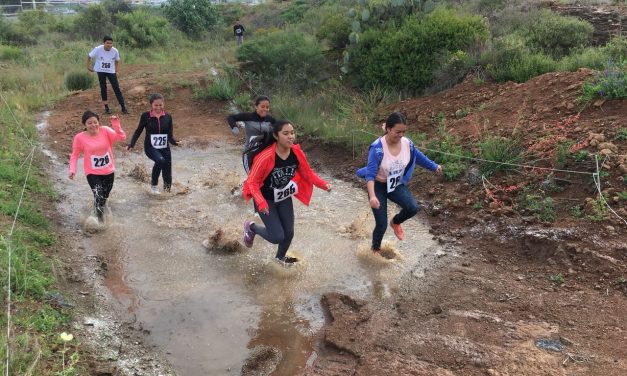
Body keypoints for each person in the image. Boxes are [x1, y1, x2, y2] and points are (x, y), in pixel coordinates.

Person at [242, 120, 331, 266]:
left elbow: (307, 173)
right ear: (276, 136)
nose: (290, 137)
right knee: (277, 236)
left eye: (292, 133)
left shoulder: (296, 153)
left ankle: (279, 258)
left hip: (283, 197)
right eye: (285, 133)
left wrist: (323, 184)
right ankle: (251, 227)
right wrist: (261, 202)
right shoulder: (265, 157)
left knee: (288, 233)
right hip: (265, 199)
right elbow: (252, 182)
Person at [357, 112, 442, 256]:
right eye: (398, 132)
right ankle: (375, 250)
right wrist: (372, 196)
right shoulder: (377, 148)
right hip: (378, 185)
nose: (401, 135)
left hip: (394, 184)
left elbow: (417, 156)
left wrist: (433, 166)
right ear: (388, 129)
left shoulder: (407, 143)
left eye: (404, 132)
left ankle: (396, 222)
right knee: (381, 223)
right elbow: (370, 175)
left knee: (412, 207)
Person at [69, 111, 127, 222]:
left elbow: (122, 137)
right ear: (84, 125)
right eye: (89, 123)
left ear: (98, 122)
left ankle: (99, 211)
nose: (93, 125)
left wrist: (116, 124)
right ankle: (100, 222)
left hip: (109, 171)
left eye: (95, 122)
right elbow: (75, 155)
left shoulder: (105, 131)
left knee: (104, 197)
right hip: (92, 173)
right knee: (98, 195)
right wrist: (72, 170)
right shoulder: (80, 138)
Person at [127, 93, 179, 194]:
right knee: (160, 161)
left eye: (160, 105)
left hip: (165, 148)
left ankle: (167, 194)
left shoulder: (168, 117)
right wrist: (132, 144)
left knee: (167, 174)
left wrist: (175, 142)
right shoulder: (146, 116)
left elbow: (170, 135)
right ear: (151, 105)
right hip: (150, 147)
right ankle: (154, 185)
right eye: (156, 105)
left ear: (163, 104)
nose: (158, 107)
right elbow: (138, 131)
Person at [87, 36, 129, 115]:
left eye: (111, 43)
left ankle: (123, 107)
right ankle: (106, 108)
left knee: (116, 88)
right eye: (107, 43)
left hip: (111, 71)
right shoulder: (98, 49)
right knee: (103, 87)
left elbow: (117, 61)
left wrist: (116, 70)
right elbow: (89, 56)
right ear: (104, 43)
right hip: (101, 70)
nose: (109, 45)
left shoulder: (115, 51)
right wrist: (88, 67)